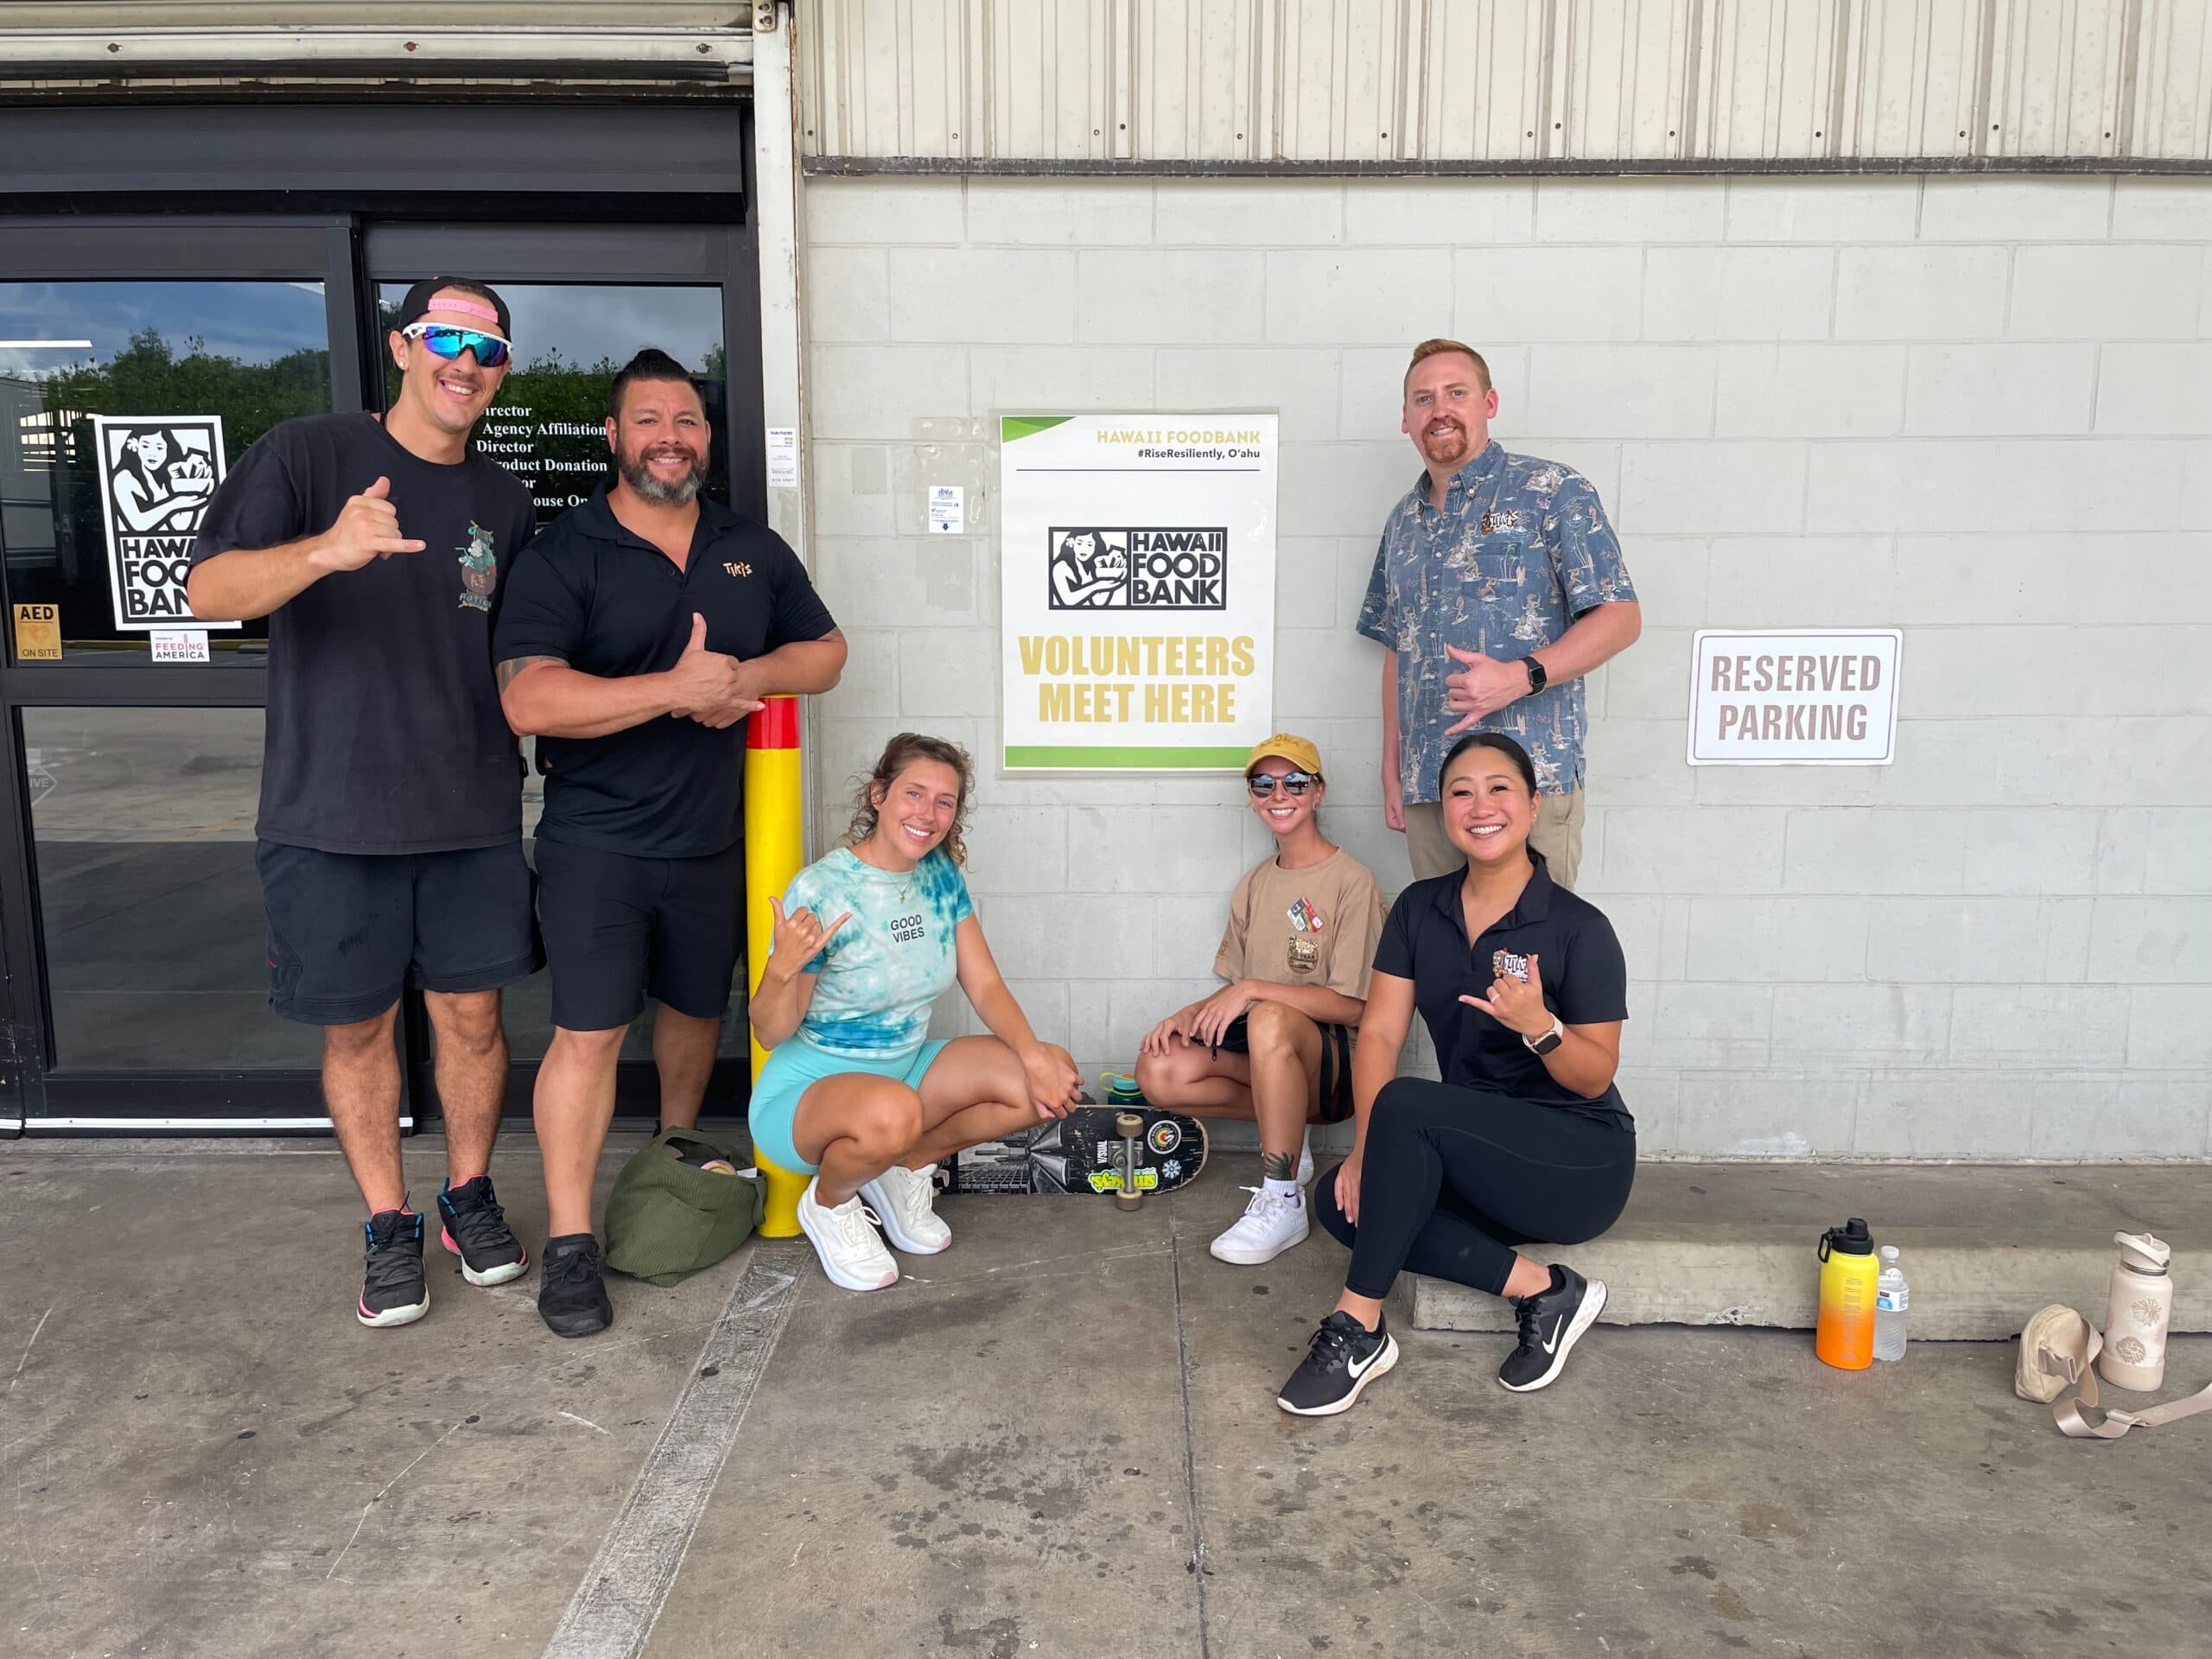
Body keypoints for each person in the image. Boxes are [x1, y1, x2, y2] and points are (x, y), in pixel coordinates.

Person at [186, 278, 539, 1329]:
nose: (465, 363)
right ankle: (387, 1222)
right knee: (357, 1030)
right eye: (446, 338)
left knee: (473, 1019)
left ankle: (465, 1197)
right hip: (328, 815)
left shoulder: (507, 503)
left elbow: (520, 655)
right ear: (402, 345)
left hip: (471, 810)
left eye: (488, 349)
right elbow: (208, 593)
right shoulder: (307, 455)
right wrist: (325, 551)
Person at [493, 348, 846, 1338]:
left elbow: (824, 655)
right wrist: (675, 689)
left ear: (705, 439)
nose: (669, 437)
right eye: (648, 420)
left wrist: (747, 675)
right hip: (597, 842)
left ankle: (677, 1156)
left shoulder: (749, 546)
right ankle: (569, 1248)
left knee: (697, 1013)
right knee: (592, 1032)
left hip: (715, 839)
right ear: (614, 437)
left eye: (686, 421)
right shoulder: (566, 551)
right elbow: (527, 696)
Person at [1277, 731, 1636, 1417]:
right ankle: (1545, 1290)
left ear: (1532, 807)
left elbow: (1594, 1078)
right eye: (1460, 792)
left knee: (1407, 1104)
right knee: (1340, 1202)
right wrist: (1363, 1154)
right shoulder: (1420, 908)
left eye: (1500, 788)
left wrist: (1542, 1026)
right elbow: (1380, 1030)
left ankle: (1358, 1328)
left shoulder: (1577, 928)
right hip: (1477, 1156)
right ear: (1444, 812)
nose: (1481, 806)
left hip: (1578, 1161)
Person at [748, 733, 1083, 1294]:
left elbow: (985, 982)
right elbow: (769, 1033)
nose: (927, 814)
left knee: (1046, 1076)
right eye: (914, 793)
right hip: (808, 1094)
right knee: (894, 1111)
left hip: (903, 1073)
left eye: (944, 802)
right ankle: (830, 1204)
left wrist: (1034, 1055)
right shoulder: (824, 887)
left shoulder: (939, 877)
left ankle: (901, 1169)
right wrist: (782, 969)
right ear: (879, 795)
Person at [1358, 339, 1642, 887]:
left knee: (1531, 963)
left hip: (1529, 784)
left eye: (1455, 393)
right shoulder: (1402, 525)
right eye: (1423, 398)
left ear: (1488, 403)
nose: (1439, 409)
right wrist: (1391, 771)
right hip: (1431, 792)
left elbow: (1620, 618)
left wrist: (1520, 677)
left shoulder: (1553, 491)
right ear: (1406, 419)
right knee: (1444, 961)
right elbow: (1398, 651)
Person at [1135, 734, 1382, 1267]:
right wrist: (1188, 1016)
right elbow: (1238, 993)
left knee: (1269, 1017)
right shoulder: (1252, 885)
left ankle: (1283, 1197)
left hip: (1338, 1067)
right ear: (1252, 795)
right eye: (1263, 783)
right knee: (1159, 1070)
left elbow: (1355, 1007)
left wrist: (1252, 991)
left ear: (1318, 793)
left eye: (1294, 781)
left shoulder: (1352, 881)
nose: (1279, 794)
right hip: (1273, 1049)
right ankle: (1291, 1134)